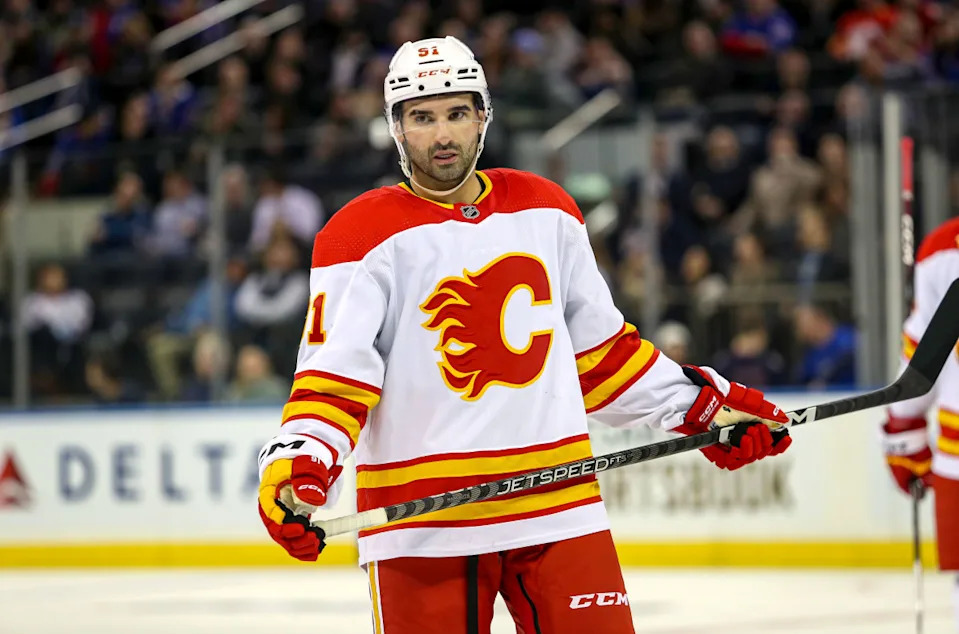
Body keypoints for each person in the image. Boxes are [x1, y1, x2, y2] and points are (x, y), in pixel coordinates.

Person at [256, 36, 792, 634]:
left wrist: (703, 406)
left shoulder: (548, 210)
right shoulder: (358, 235)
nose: (442, 136)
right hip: (425, 527)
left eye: (457, 113)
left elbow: (603, 359)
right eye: (422, 117)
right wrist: (300, 462)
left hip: (557, 510)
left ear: (483, 115)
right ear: (396, 127)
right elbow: (335, 379)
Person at [881, 216, 959, 630]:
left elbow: (921, 364)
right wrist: (903, 429)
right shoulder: (943, 249)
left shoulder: (945, 248)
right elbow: (925, 359)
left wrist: (903, 430)